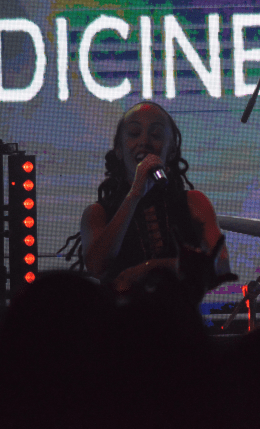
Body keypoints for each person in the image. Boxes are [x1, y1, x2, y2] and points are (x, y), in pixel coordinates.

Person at [80, 101, 232, 298]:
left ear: (171, 151)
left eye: (156, 135)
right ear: (119, 149)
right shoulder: (97, 213)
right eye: (134, 133)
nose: (144, 141)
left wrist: (148, 269)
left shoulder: (195, 203)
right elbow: (96, 265)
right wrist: (134, 194)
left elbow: (221, 264)